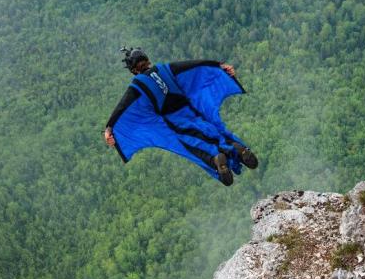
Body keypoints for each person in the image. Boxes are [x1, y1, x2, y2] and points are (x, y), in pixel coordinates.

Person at [103, 47, 258, 186]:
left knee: (192, 146)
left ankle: (215, 160)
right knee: (212, 130)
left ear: (133, 70)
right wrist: (219, 65)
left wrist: (109, 128)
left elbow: (123, 107)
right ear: (147, 60)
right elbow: (194, 65)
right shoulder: (165, 69)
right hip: (190, 110)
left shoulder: (137, 86)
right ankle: (236, 148)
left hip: (174, 121)